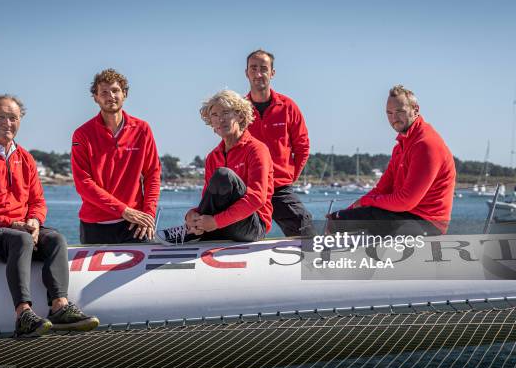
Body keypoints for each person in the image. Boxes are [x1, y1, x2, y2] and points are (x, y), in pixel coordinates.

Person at [0, 94, 99, 337]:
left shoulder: (25, 158)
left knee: (55, 239)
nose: (7, 123)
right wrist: (11, 223)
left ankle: (59, 307)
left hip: (21, 228)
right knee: (19, 240)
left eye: (13, 118)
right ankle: (23, 314)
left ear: (20, 120)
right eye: (1, 117)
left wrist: (34, 221)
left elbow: (37, 201)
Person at [326, 85, 456, 236]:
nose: (394, 118)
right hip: (404, 215)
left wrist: (367, 202)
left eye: (400, 111)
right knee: (338, 219)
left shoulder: (427, 145)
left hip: (426, 224)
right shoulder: (401, 146)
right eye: (389, 113)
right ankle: (326, 256)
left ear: (415, 109)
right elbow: (382, 189)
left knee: (345, 223)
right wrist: (350, 209)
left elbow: (406, 201)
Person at [157, 90, 273, 245]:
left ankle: (191, 232)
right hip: (220, 224)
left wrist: (215, 222)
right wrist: (192, 215)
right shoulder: (212, 157)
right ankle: (193, 229)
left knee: (224, 175)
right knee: (221, 177)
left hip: (252, 226)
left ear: (240, 116)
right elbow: (210, 200)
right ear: (211, 123)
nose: (221, 119)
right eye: (215, 115)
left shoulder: (257, 149)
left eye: (226, 112)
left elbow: (257, 198)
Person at [72, 69, 161, 244]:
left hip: (135, 225)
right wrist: (123, 210)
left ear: (125, 94)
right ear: (96, 98)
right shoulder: (82, 134)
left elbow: (153, 174)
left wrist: (148, 213)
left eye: (115, 90)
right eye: (104, 92)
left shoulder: (142, 129)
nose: (110, 96)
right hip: (95, 226)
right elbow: (83, 183)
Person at [245, 49, 316, 237]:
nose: (258, 74)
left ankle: (312, 265)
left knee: (305, 227)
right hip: (248, 189)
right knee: (236, 234)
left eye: (263, 68)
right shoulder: (240, 110)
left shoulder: (288, 106)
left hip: (279, 188)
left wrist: (290, 177)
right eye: (253, 68)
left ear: (272, 73)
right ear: (247, 73)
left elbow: (302, 147)